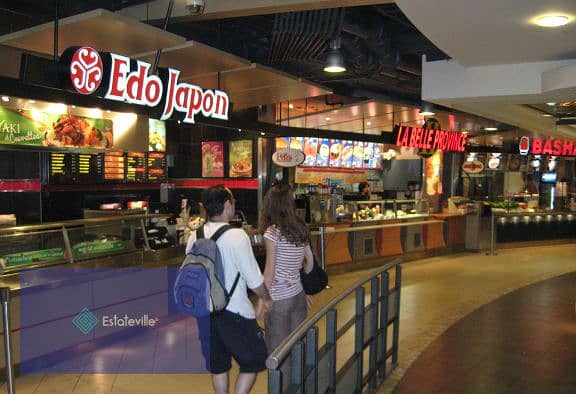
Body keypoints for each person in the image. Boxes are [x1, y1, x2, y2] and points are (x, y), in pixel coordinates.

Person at [186, 185, 273, 394]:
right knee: (254, 360)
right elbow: (254, 279)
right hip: (235, 312)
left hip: (205, 313)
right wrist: (267, 298)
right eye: (233, 201)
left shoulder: (195, 235)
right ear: (227, 205)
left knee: (218, 365)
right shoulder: (237, 235)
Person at [257, 183, 314, 385]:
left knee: (279, 352)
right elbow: (310, 263)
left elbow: (269, 271)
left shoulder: (273, 233)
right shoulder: (300, 228)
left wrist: (261, 303)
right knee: (298, 344)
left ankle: (282, 390)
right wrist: (300, 284)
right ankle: (301, 387)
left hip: (279, 300)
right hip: (298, 296)